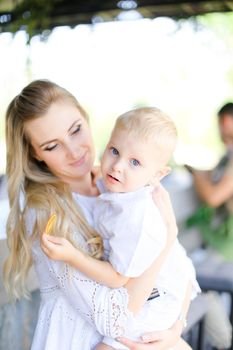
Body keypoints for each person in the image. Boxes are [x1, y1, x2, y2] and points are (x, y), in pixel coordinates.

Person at [3, 79, 191, 350]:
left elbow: (181, 268)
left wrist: (176, 327)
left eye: (76, 130)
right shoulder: (47, 213)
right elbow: (114, 321)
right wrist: (168, 236)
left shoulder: (119, 184)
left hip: (142, 337)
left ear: (85, 117)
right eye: (52, 146)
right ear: (34, 155)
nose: (74, 151)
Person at [41, 107, 200, 350]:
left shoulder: (137, 214)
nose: (117, 166)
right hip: (155, 293)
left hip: (157, 302)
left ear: (157, 174)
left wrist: (73, 256)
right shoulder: (122, 188)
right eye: (114, 151)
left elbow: (117, 278)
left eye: (134, 162)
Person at [185, 102, 233, 349]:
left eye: (228, 125)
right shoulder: (228, 155)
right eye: (222, 126)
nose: (224, 132)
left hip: (228, 249)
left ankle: (223, 341)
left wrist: (195, 176)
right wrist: (196, 171)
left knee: (189, 276)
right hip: (222, 241)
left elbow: (213, 196)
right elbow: (214, 175)